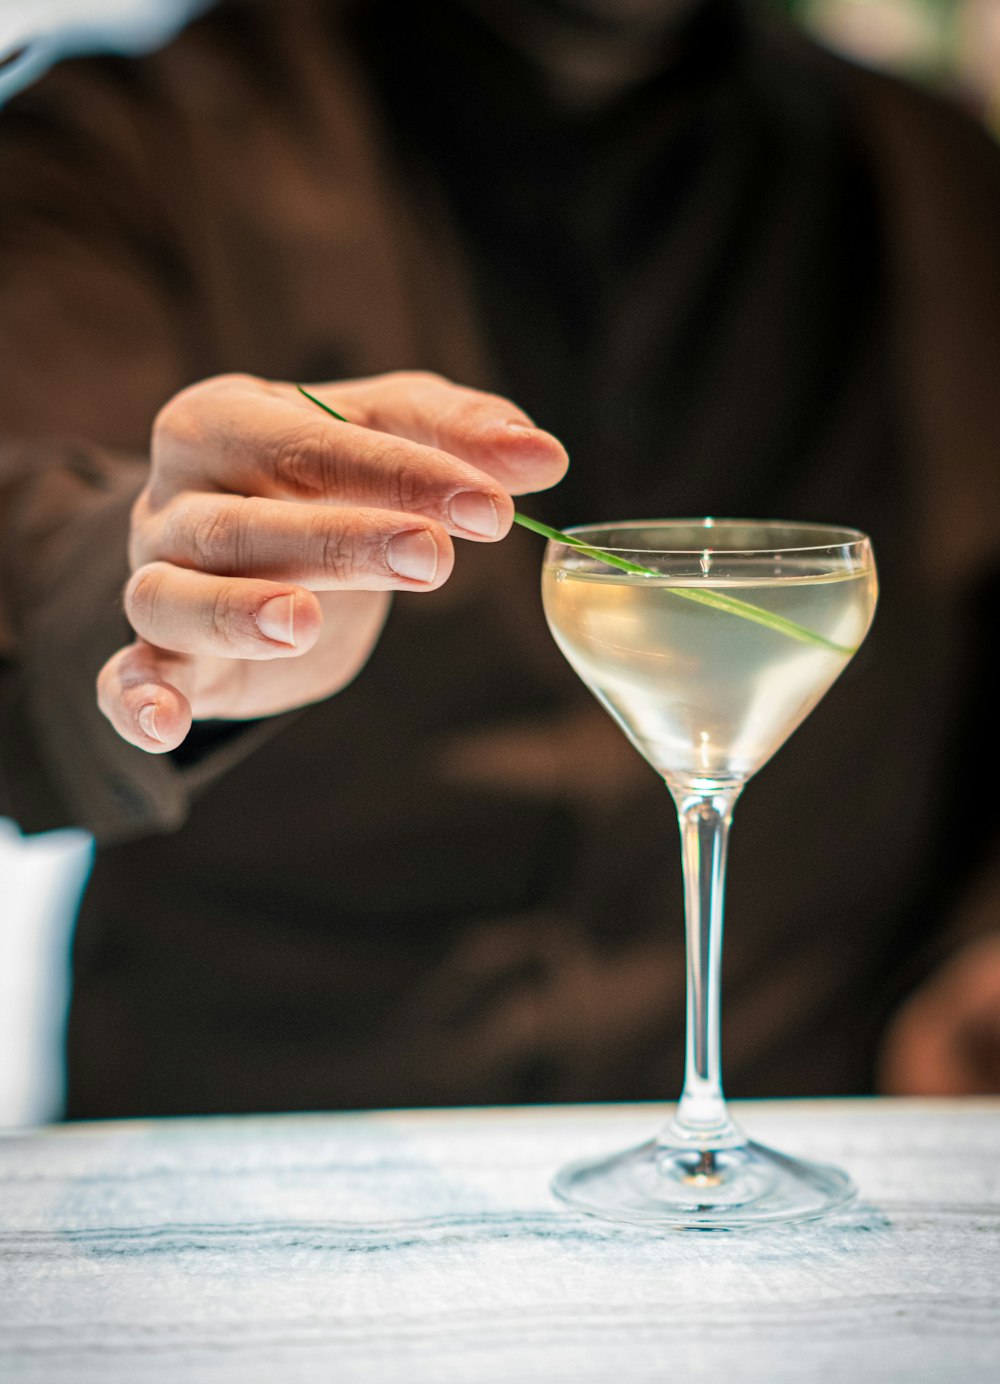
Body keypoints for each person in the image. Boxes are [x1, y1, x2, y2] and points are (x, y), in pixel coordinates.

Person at [1, 0, 998, 1118]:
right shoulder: (118, 140)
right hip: (264, 1153)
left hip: (815, 1143)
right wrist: (171, 605)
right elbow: (24, 533)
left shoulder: (938, 177)